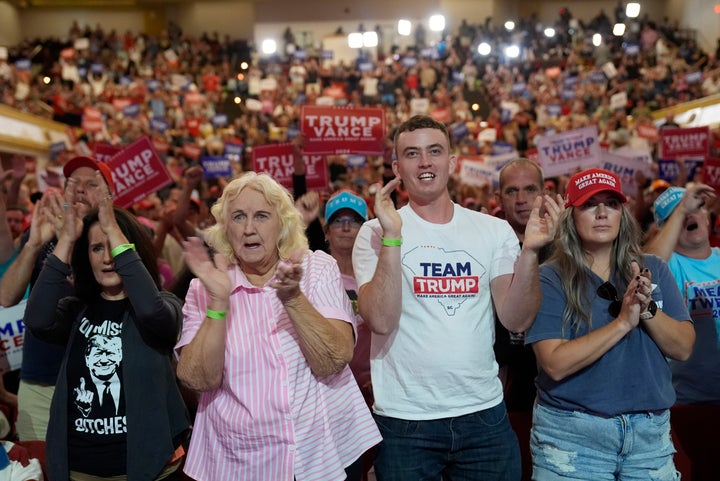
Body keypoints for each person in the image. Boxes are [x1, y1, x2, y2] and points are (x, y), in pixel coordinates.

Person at [352, 115, 559, 481]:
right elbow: (381, 319)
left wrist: (529, 253)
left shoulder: (492, 230)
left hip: (483, 415)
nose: (425, 162)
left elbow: (517, 319)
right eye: (412, 154)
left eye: (435, 151)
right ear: (397, 168)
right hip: (405, 421)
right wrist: (393, 238)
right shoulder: (375, 232)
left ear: (451, 161)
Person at [175, 172, 380, 481]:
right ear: (224, 229)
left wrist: (292, 298)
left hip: (321, 453)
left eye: (261, 216)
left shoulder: (315, 268)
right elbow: (197, 379)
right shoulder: (205, 288)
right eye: (238, 217)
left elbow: (334, 359)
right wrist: (218, 303)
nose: (248, 229)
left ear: (282, 224)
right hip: (239, 460)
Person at [525, 168, 695, 480]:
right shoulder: (549, 277)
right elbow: (555, 363)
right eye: (591, 205)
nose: (602, 213)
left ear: (623, 214)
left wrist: (646, 311)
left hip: (648, 441)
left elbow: (684, 347)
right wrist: (621, 322)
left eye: (612, 204)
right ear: (571, 216)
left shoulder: (652, 268)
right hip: (573, 438)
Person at [22, 171, 190, 480]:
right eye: (97, 248)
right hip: (79, 469)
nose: (107, 258)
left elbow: (153, 314)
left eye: (113, 245)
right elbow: (36, 320)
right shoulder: (76, 309)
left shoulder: (165, 304)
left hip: (148, 469)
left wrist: (113, 227)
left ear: (132, 251)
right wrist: (67, 242)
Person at [0, 155, 114, 442]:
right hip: (39, 379)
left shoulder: (116, 239)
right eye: (73, 184)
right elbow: (6, 296)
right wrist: (34, 245)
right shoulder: (42, 233)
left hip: (95, 380)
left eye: (90, 184)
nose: (79, 190)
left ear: (109, 195)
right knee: (39, 466)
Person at [644, 183, 719, 480]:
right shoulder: (667, 267)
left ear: (709, 216)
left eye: (696, 206)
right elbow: (645, 265)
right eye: (677, 212)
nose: (690, 213)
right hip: (691, 405)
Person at [494, 158, 559, 412]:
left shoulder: (566, 246)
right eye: (512, 191)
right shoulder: (487, 245)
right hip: (504, 381)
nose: (521, 199)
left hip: (558, 376)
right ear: (499, 198)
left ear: (543, 193)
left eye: (530, 189)